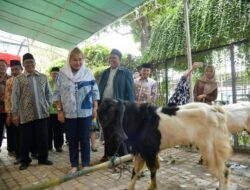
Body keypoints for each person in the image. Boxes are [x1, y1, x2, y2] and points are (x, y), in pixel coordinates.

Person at [53, 47, 99, 174]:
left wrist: (95, 107)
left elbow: (95, 91)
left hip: (85, 112)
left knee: (85, 138)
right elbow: (56, 93)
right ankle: (74, 164)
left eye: (80, 60)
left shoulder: (88, 72)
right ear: (69, 60)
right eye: (74, 60)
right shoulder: (62, 74)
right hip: (69, 113)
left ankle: (85, 164)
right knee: (72, 139)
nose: (77, 62)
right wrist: (59, 110)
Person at [12, 53, 53, 170]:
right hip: (25, 115)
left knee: (43, 137)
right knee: (25, 139)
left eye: (31, 62)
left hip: (42, 113)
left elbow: (48, 94)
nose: (29, 64)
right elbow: (15, 97)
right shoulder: (18, 79)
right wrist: (14, 114)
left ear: (34, 62)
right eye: (26, 62)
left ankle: (43, 158)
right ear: (23, 65)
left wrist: (47, 106)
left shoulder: (43, 77)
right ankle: (25, 160)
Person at [98, 48, 135, 161]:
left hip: (118, 107)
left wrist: (131, 107)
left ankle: (124, 156)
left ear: (120, 59)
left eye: (114, 58)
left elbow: (130, 91)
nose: (111, 60)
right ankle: (107, 155)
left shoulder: (125, 73)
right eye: (110, 58)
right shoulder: (105, 73)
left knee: (120, 131)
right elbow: (100, 88)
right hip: (105, 107)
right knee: (107, 132)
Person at [4, 60, 23, 164]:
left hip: (26, 113)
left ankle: (28, 153)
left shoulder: (26, 79)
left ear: (21, 69)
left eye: (16, 69)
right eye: (13, 70)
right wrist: (9, 114)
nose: (14, 71)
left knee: (26, 134)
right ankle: (19, 155)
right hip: (14, 113)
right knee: (16, 134)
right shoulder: (9, 81)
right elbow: (7, 98)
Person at [48, 67, 64, 152]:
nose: (55, 75)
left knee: (59, 129)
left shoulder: (62, 83)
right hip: (49, 110)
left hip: (59, 110)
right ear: (50, 74)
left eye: (57, 74)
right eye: (53, 73)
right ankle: (48, 146)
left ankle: (59, 146)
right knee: (48, 129)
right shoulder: (47, 82)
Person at [0, 59, 10, 153]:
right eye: (0, 65)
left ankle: (12, 149)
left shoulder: (11, 78)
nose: (2, 67)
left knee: (11, 131)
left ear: (7, 67)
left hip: (9, 110)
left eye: (3, 65)